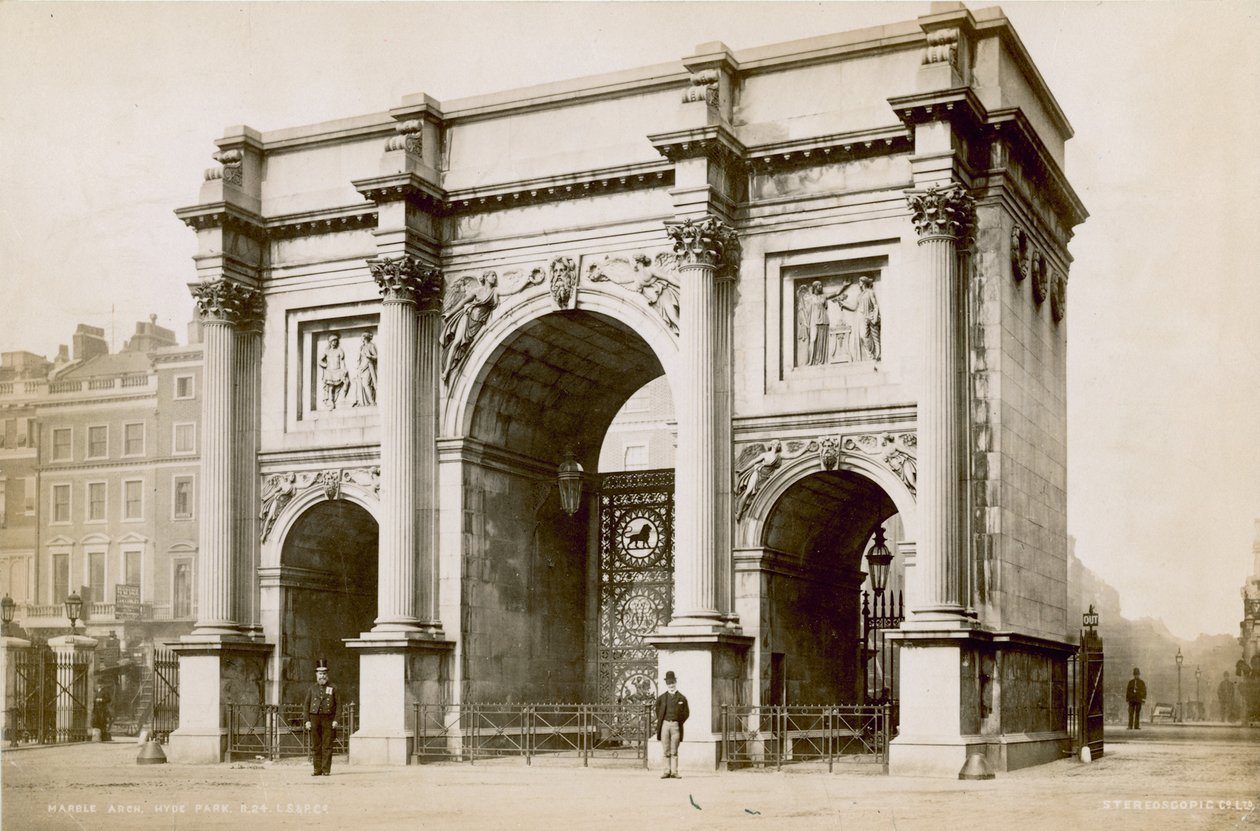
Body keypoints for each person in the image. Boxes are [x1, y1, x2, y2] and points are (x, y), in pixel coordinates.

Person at [303, 660, 339, 776]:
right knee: (316, 745)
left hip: (328, 719)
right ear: (316, 675)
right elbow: (306, 705)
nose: (322, 676)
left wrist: (336, 720)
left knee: (327, 745)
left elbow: (339, 705)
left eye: (324, 673)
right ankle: (316, 769)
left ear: (327, 675)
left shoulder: (334, 688)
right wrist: (307, 720)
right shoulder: (312, 689)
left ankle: (326, 769)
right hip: (314, 718)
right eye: (320, 673)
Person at [654, 670, 689, 779]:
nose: (671, 685)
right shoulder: (662, 698)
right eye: (669, 683)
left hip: (676, 726)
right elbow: (657, 711)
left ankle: (674, 772)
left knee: (674, 750)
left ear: (676, 683)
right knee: (666, 750)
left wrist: (678, 721)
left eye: (673, 682)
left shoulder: (682, 698)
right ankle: (666, 771)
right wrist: (663, 720)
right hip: (664, 725)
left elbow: (686, 713)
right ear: (666, 684)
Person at [320, 333, 349, 409]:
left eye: (336, 341)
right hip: (330, 371)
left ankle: (344, 398)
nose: (335, 342)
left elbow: (342, 361)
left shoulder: (339, 350)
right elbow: (320, 361)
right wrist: (325, 365)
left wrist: (344, 369)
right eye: (333, 341)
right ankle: (331, 401)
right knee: (331, 387)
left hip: (338, 370)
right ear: (330, 342)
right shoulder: (327, 351)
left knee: (346, 382)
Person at [353, 331, 377, 407]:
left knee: (366, 384)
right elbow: (360, 359)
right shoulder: (362, 347)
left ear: (365, 337)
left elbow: (376, 356)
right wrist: (358, 368)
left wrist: (370, 356)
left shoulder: (371, 345)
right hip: (361, 368)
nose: (361, 338)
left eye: (362, 336)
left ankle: (372, 402)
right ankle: (362, 402)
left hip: (368, 367)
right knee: (359, 384)